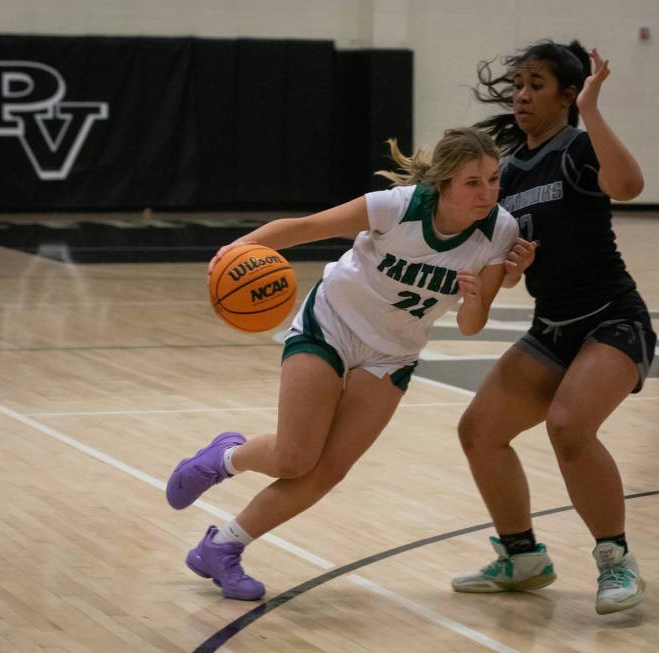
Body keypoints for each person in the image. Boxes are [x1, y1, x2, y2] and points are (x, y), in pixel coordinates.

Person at [165, 127, 519, 600]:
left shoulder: (500, 231)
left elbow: (473, 325)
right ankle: (225, 458)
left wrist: (475, 298)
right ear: (443, 184)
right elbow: (305, 227)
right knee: (295, 457)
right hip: (333, 324)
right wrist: (237, 249)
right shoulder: (398, 206)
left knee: (328, 469)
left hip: (393, 352)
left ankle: (222, 548)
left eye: (494, 179)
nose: (488, 192)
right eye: (473, 182)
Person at [451, 41, 656, 615]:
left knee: (569, 427)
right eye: (518, 83)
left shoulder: (577, 149)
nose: (520, 94)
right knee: (479, 430)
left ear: (568, 94)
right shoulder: (510, 172)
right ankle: (521, 557)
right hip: (553, 327)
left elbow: (631, 187)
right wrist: (512, 271)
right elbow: (512, 276)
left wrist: (592, 110)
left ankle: (615, 561)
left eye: (537, 84)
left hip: (613, 319)